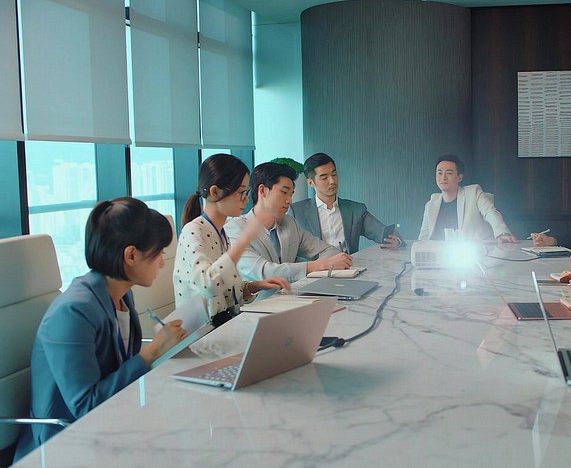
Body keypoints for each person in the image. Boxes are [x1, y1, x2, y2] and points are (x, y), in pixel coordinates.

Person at [15, 198, 187, 460]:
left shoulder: (121, 296)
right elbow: (86, 406)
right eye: (159, 253)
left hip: (112, 426)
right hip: (62, 445)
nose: (162, 263)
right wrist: (150, 354)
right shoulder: (74, 312)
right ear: (131, 255)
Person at [173, 154, 289, 321]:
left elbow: (227, 291)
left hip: (225, 323)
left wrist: (254, 286)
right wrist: (244, 239)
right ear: (215, 192)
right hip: (203, 331)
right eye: (241, 192)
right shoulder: (192, 231)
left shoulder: (221, 232)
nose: (246, 199)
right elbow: (209, 286)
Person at [226, 162, 351, 291]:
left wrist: (325, 265)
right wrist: (321, 265)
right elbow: (264, 272)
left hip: (295, 296)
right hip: (259, 302)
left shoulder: (289, 223)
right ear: (262, 190)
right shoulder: (234, 229)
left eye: (291, 194)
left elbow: (328, 251)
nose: (289, 201)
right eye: (284, 192)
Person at [291, 153, 401, 253]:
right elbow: (289, 251)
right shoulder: (296, 212)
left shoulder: (356, 210)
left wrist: (397, 241)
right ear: (310, 183)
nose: (332, 181)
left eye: (334, 174)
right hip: (315, 268)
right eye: (324, 178)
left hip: (349, 266)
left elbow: (382, 232)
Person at [418, 155, 516, 243]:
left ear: (459, 177)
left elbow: (490, 212)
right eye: (439, 173)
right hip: (437, 253)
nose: (443, 177)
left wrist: (502, 233)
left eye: (449, 173)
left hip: (474, 251)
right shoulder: (431, 204)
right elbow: (423, 237)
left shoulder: (473, 192)